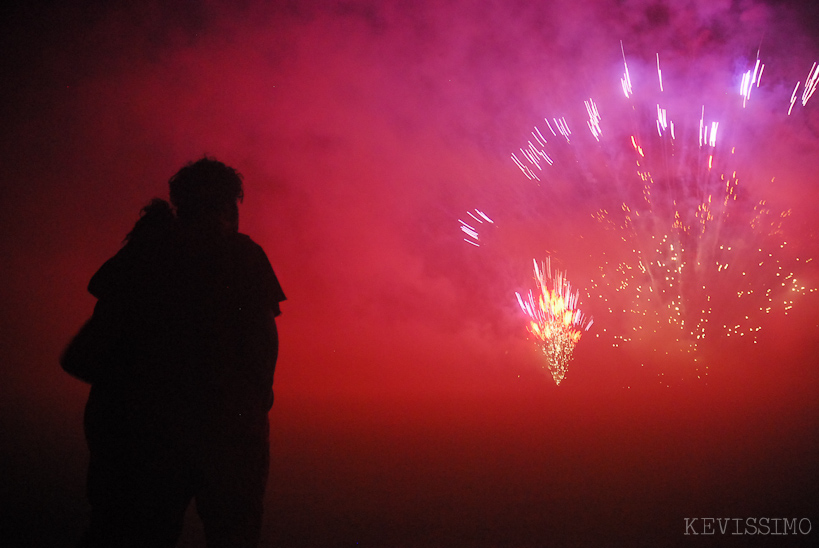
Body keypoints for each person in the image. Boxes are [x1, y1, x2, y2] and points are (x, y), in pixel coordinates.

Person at [69, 157, 285, 547]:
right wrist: (256, 399)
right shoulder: (241, 256)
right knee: (233, 533)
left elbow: (93, 347)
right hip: (226, 427)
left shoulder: (144, 254)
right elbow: (262, 337)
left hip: (147, 429)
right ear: (229, 203)